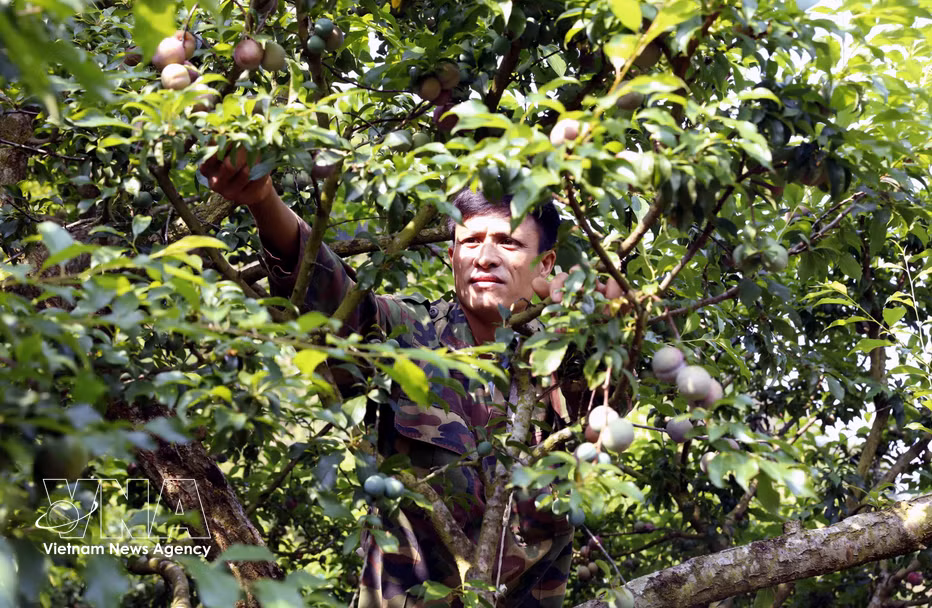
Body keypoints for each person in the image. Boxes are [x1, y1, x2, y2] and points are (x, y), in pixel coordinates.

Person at [201, 150, 621, 607]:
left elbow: (602, 412)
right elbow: (334, 302)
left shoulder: (566, 360)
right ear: (451, 255)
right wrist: (263, 199)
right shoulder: (408, 334)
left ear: (545, 264)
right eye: (470, 241)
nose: (485, 257)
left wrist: (593, 327)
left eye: (509, 243)